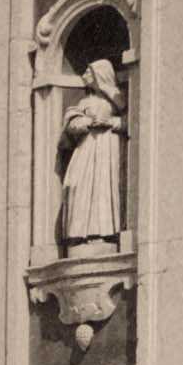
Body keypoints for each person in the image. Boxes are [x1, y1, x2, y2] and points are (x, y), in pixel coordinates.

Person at [60, 58, 125, 254]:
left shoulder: (118, 100)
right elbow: (71, 125)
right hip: (86, 149)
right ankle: (79, 235)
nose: (84, 75)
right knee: (77, 185)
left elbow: (131, 121)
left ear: (99, 75)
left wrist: (110, 122)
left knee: (103, 189)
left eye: (89, 72)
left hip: (107, 151)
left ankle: (104, 235)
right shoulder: (84, 102)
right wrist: (88, 122)